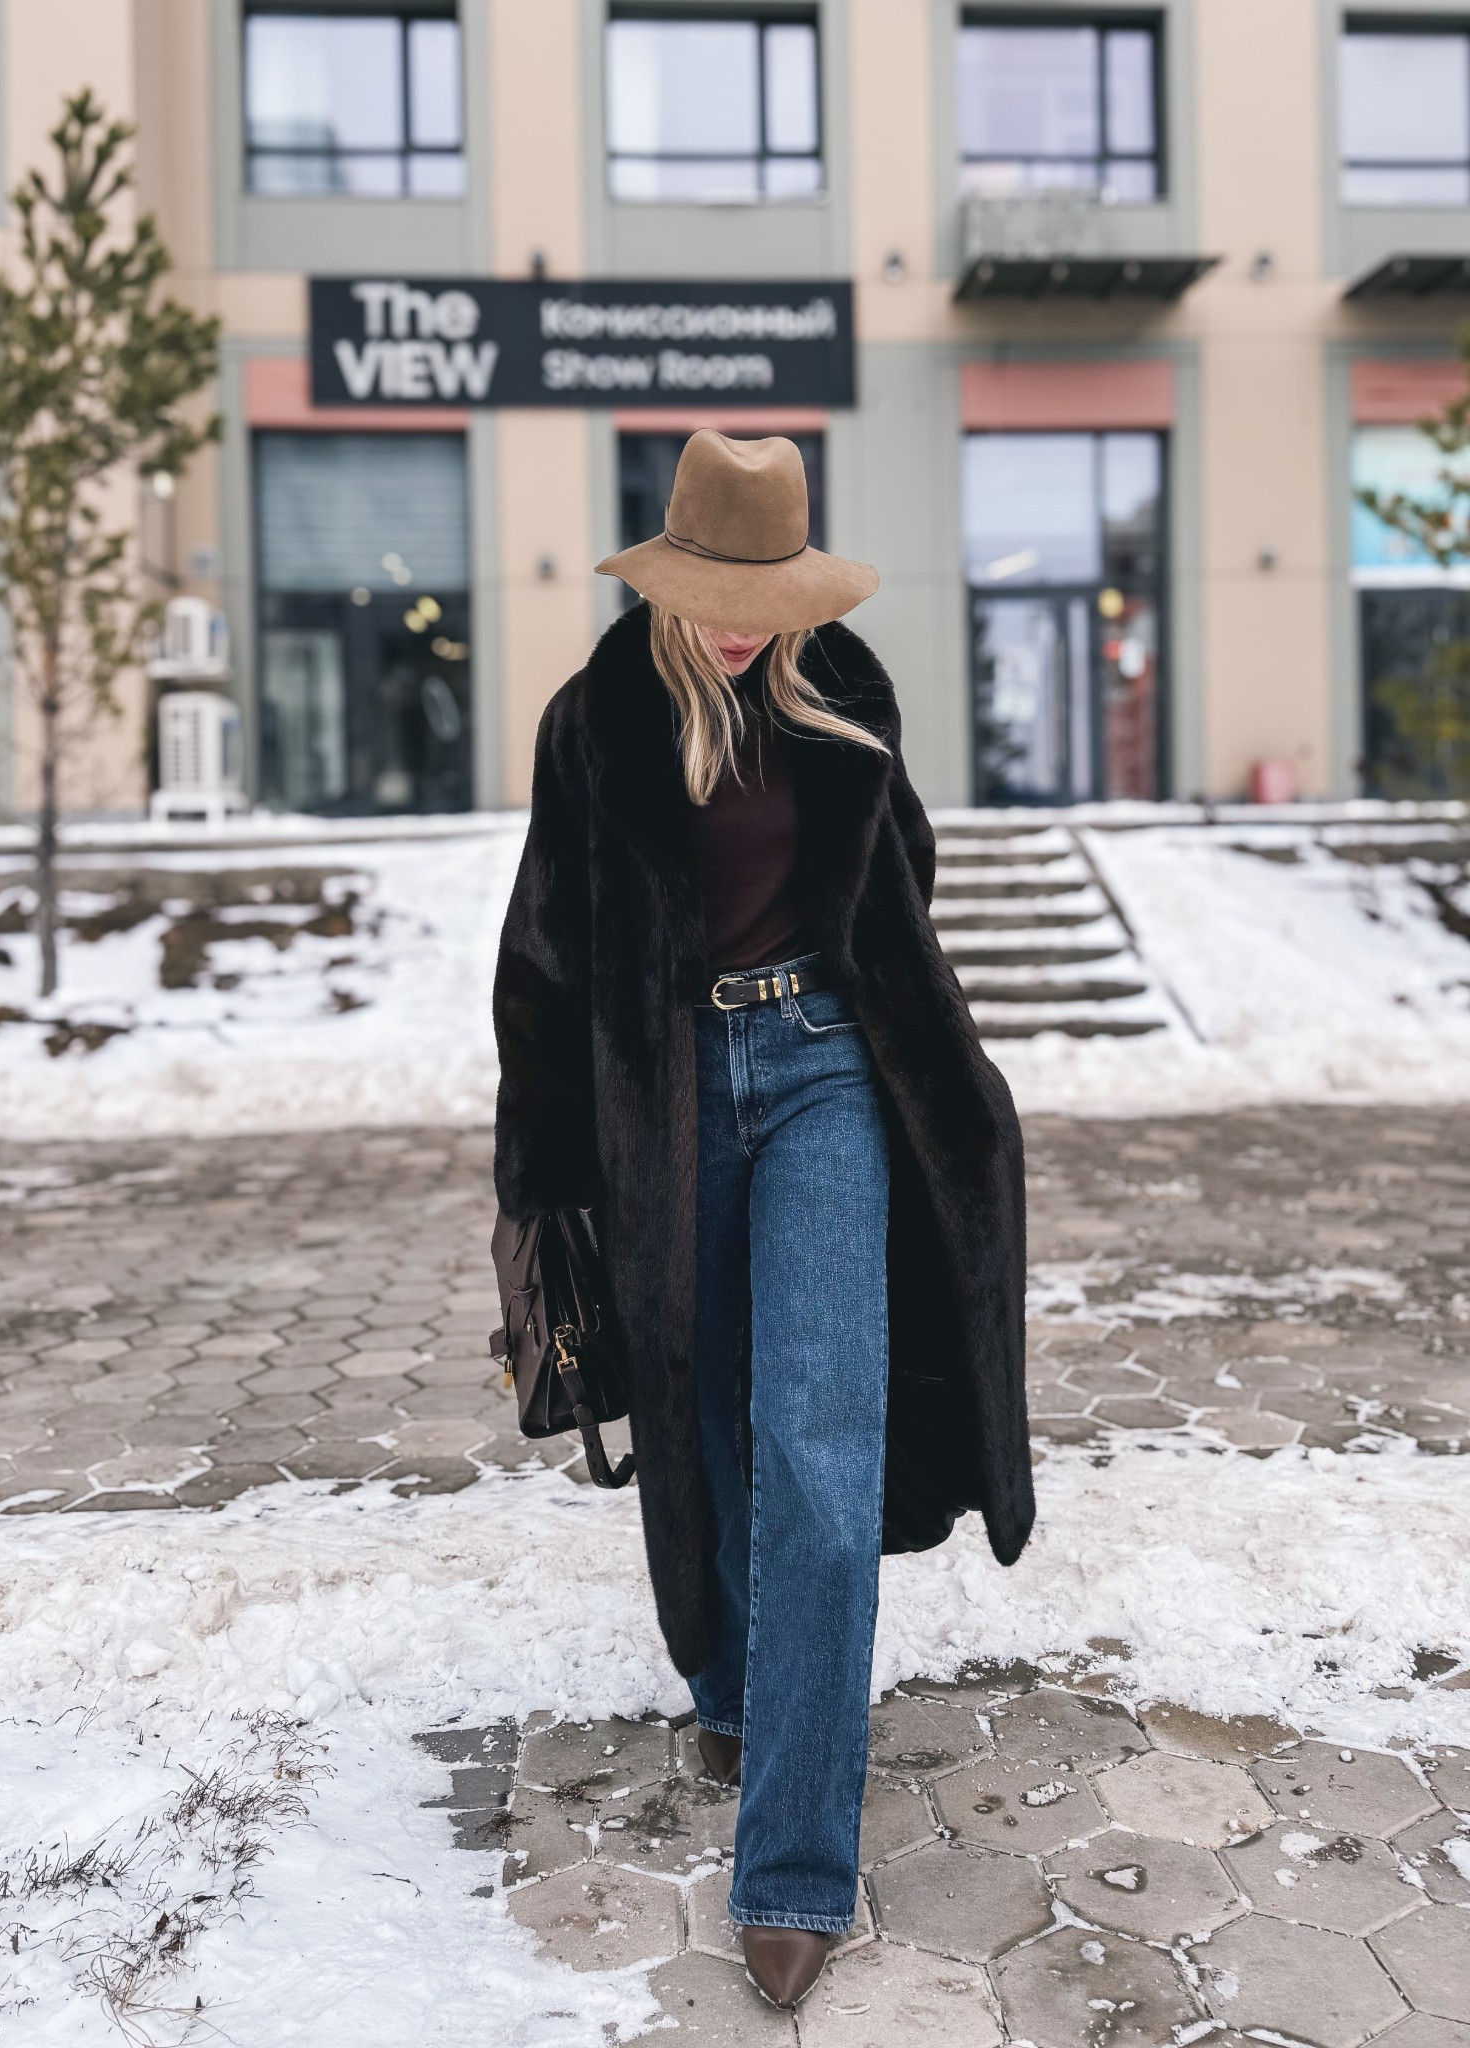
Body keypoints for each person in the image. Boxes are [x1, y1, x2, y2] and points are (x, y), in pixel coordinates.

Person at [492, 430, 1034, 2010]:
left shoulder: (846, 697)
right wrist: (540, 1175)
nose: (742, 620)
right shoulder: (596, 720)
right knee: (703, 1408)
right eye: (719, 590)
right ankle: (729, 1676)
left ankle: (794, 1856)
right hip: (662, 1095)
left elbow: (903, 901)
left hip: (824, 1076)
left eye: (768, 591)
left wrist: (940, 1074)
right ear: (669, 574)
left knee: (816, 1427)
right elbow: (540, 959)